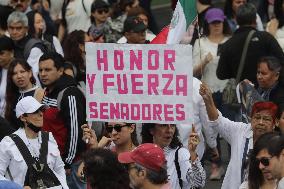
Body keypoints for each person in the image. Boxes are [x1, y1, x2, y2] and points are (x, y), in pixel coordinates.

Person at [199, 82, 278, 189]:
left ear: (275, 123)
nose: (261, 122)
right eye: (257, 117)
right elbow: (217, 121)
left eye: (266, 119)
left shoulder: (278, 145)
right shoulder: (240, 130)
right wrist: (208, 100)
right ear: (250, 118)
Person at [38, 52, 86, 189]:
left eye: (47, 70)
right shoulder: (48, 91)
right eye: (40, 70)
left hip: (70, 166)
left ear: (60, 71)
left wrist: (67, 163)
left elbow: (76, 131)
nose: (43, 74)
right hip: (52, 162)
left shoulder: (70, 94)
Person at [0, 96, 68, 188]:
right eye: (35, 111)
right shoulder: (8, 143)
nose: (41, 114)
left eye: (41, 110)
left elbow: (59, 169)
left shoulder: (49, 138)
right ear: (23, 117)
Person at [217, 3, 284, 84]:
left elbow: (221, 74)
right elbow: (281, 61)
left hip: (243, 92)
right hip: (267, 91)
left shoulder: (227, 45)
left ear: (237, 20)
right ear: (255, 19)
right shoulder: (266, 38)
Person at [141, 124, 206, 189]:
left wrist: (193, 154)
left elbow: (198, 183)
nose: (169, 130)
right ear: (151, 130)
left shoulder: (181, 153)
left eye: (172, 125)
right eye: (163, 125)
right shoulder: (141, 154)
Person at [7, 11, 45, 85]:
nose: (14, 32)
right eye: (11, 28)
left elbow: (34, 79)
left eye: (18, 28)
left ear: (26, 28)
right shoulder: (7, 43)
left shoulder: (34, 48)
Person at [5, 59, 44, 129]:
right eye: (14, 73)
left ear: (30, 73)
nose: (19, 76)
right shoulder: (12, 95)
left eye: (22, 71)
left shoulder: (40, 93)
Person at [0, 36, 14, 117]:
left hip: (13, 124)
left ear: (11, 52)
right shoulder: (1, 71)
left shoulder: (20, 71)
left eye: (2, 53)